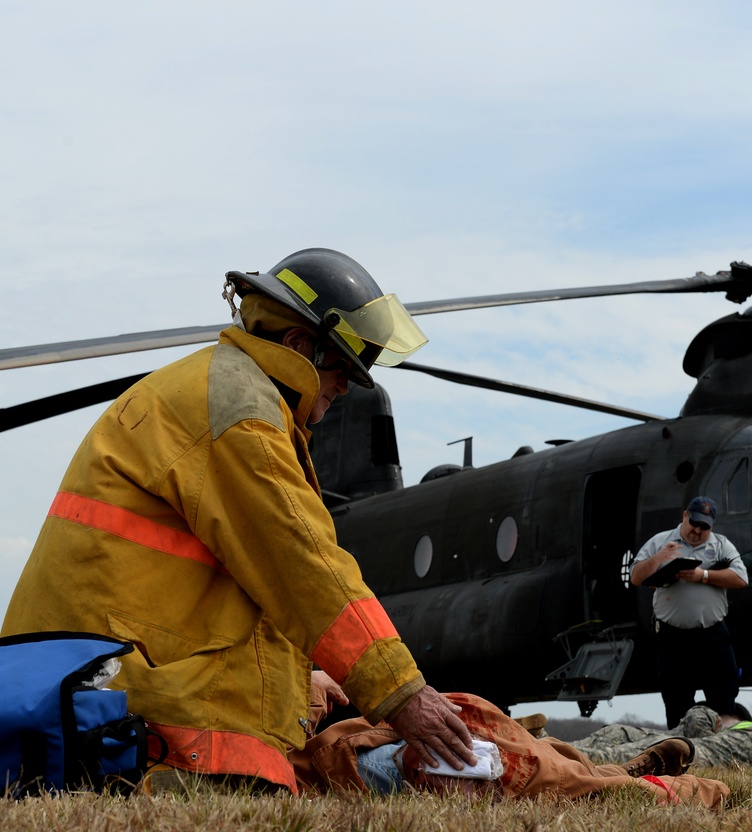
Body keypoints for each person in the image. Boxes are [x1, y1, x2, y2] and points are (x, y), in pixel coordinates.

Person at [1, 248, 477, 791]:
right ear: (301, 346)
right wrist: (403, 694)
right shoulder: (241, 414)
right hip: (117, 722)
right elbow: (305, 567)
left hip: (80, 694)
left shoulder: (219, 389)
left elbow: (233, 591)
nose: (348, 386)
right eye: (343, 368)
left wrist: (304, 679)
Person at [289, 691, 730, 809]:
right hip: (428, 745)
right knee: (562, 766)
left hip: (428, 746)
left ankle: (670, 785)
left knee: (563, 776)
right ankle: (637, 774)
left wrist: (314, 683)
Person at [629, 497, 748, 727]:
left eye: (704, 527)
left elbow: (741, 577)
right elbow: (636, 577)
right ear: (685, 516)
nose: (697, 530)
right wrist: (661, 558)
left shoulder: (721, 545)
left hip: (712, 635)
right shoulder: (660, 541)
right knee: (676, 702)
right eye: (694, 523)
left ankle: (722, 752)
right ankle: (681, 755)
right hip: (673, 636)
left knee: (723, 697)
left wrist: (703, 576)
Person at [572, 698, 752, 772]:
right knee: (601, 758)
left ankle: (543, 743)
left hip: (680, 742)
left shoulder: (736, 728)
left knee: (603, 753)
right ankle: (542, 747)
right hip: (692, 754)